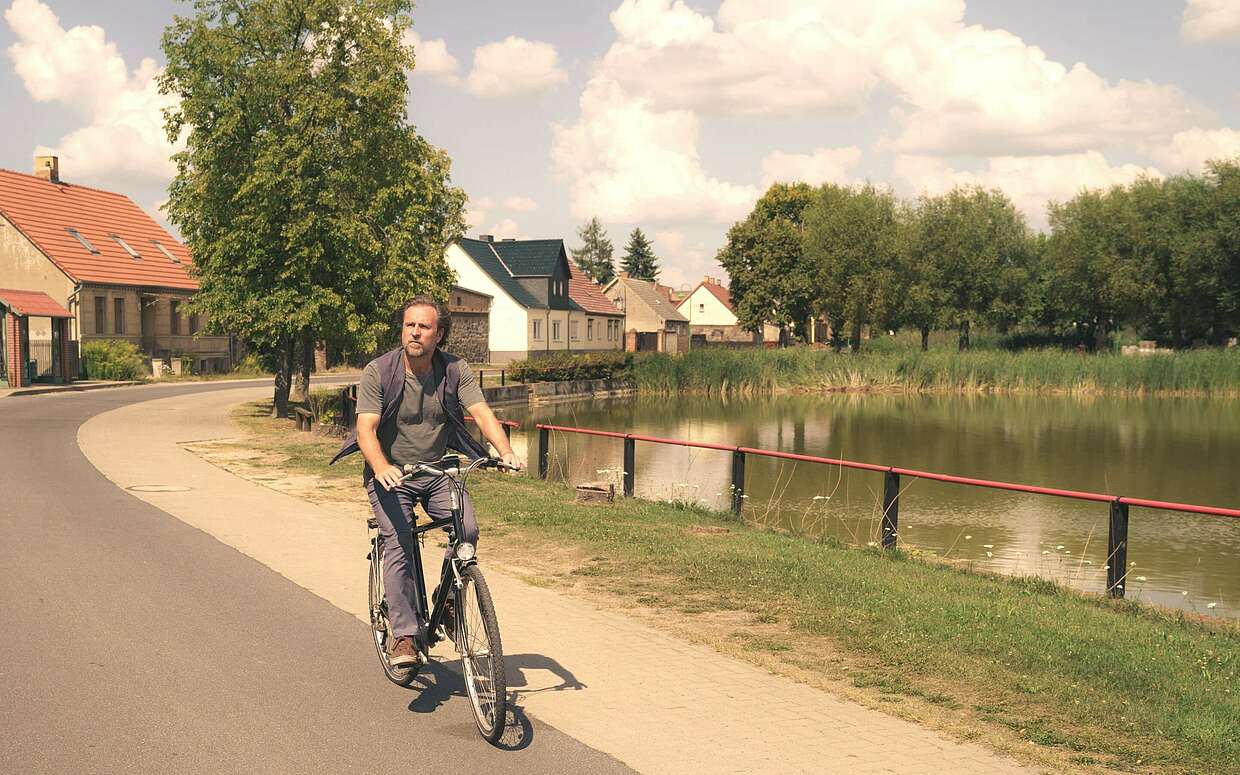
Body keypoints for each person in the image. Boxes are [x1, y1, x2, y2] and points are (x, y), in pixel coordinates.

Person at [331, 295, 524, 666]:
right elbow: (366, 430)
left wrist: (504, 449)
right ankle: (403, 635)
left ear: (439, 335)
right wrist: (382, 466)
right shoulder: (379, 371)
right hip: (392, 474)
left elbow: (481, 413)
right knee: (399, 541)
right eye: (409, 325)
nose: (415, 333)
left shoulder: (454, 370)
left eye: (424, 327)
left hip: (438, 471)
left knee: (467, 530)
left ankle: (450, 599)